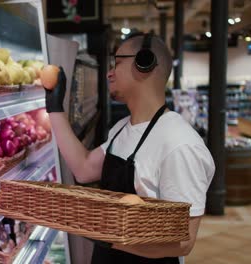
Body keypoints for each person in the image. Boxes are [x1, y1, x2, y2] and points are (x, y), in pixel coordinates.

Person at [44, 33, 215, 264]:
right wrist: (55, 108)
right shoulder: (122, 128)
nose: (109, 72)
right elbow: (83, 168)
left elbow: (183, 241)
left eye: (118, 63)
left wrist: (108, 238)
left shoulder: (180, 144)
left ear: (144, 62)